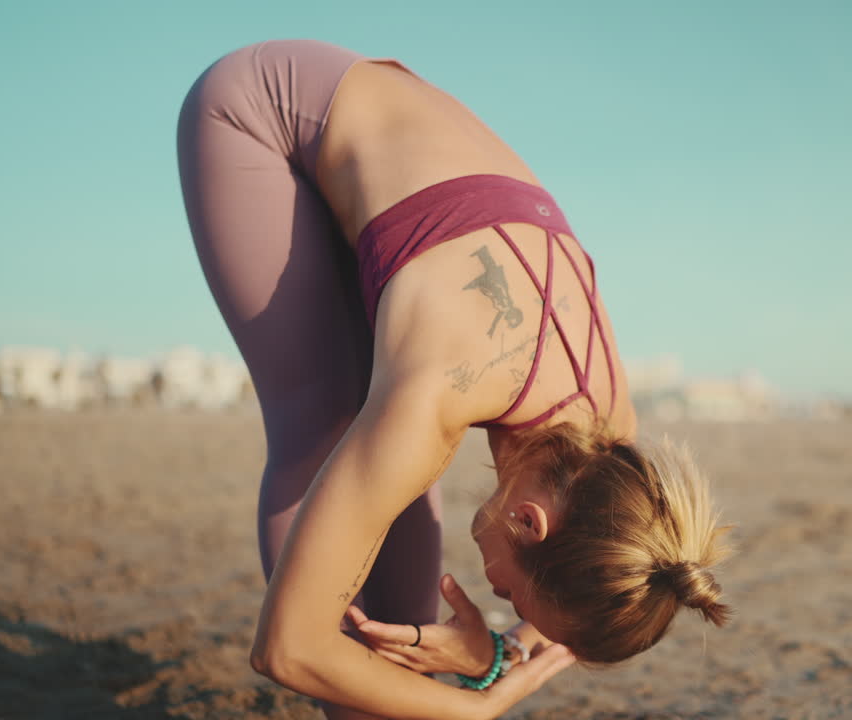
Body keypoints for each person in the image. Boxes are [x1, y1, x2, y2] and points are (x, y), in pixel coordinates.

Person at [176, 39, 732, 720]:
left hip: (420, 163)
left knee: (391, 460)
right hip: (268, 109)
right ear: (530, 522)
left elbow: (565, 621)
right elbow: (285, 649)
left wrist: (495, 657)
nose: (497, 603)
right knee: (324, 425)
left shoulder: (614, 450)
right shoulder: (445, 387)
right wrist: (472, 709)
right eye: (509, 600)